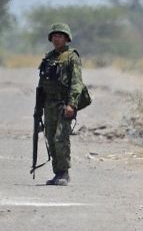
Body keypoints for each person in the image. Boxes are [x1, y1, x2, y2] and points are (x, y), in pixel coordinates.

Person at [37, 23, 85, 186]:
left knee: (61, 138)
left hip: (64, 104)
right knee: (50, 138)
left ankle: (64, 172)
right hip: (48, 104)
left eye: (60, 36)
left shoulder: (72, 57)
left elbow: (77, 83)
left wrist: (72, 104)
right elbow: (42, 83)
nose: (56, 39)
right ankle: (57, 173)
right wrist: (38, 109)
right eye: (54, 36)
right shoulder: (49, 57)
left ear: (66, 38)